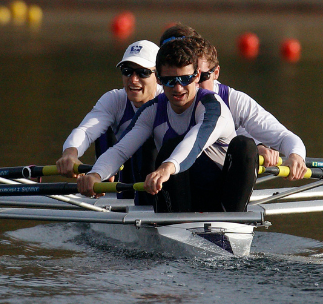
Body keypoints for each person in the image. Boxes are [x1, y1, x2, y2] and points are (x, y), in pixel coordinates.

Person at [77, 37, 257, 213]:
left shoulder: (212, 107)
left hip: (223, 200)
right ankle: (175, 221)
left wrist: (167, 167)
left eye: (185, 79)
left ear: (196, 77)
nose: (178, 88)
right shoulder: (152, 110)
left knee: (245, 146)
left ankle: (236, 219)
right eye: (170, 81)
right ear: (159, 80)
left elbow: (196, 141)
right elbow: (121, 150)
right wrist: (96, 174)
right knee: (170, 146)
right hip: (181, 202)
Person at [158, 23, 307, 179]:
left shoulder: (232, 100)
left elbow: (283, 137)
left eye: (199, 76)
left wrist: (295, 156)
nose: (183, 85)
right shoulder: (162, 92)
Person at [56, 40, 162, 201]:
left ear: (159, 76)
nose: (133, 80)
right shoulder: (115, 99)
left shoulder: (168, 101)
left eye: (142, 72)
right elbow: (86, 131)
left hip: (161, 180)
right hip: (122, 173)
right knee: (103, 127)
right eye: (127, 71)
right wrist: (70, 154)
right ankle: (103, 184)